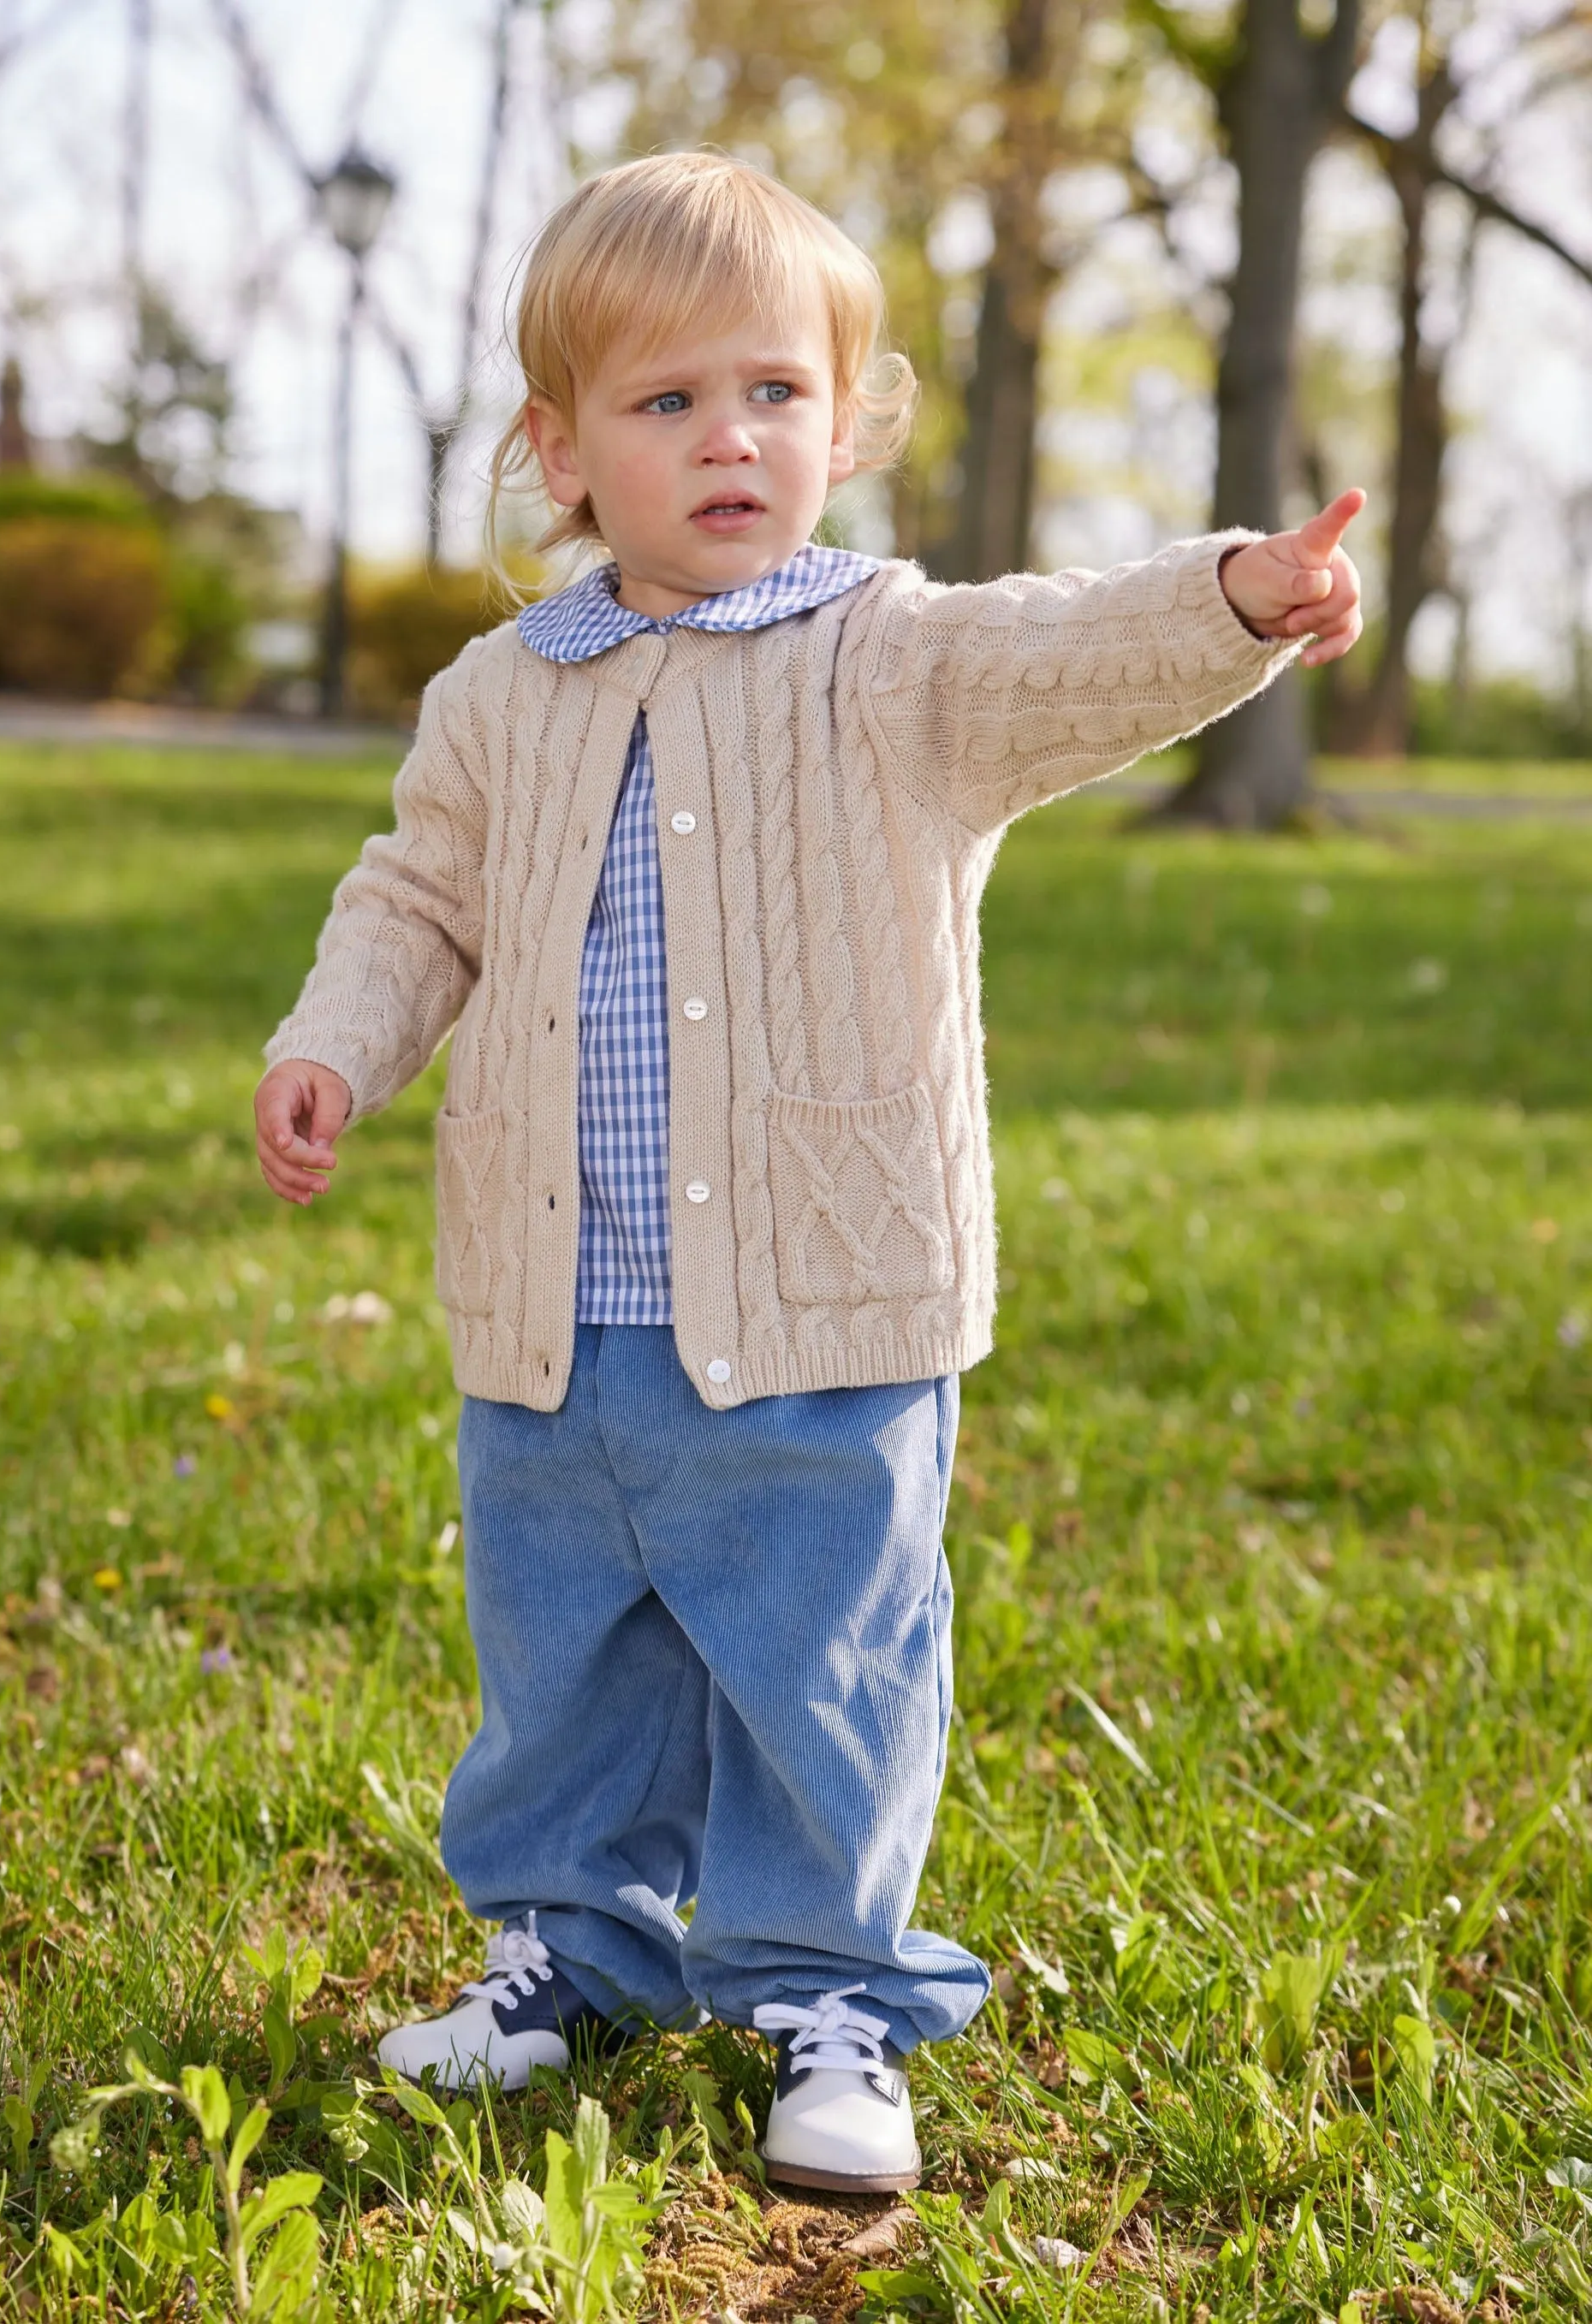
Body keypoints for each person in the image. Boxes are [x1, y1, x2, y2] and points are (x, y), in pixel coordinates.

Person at [253, 151, 1363, 2194]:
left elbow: (1075, 651)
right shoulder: (501, 695)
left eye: (772, 391)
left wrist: (1232, 598)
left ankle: (829, 1987)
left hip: (825, 1297)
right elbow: (418, 896)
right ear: (561, 451)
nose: (728, 437)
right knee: (565, 1644)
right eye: (665, 403)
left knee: (821, 1649)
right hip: (555, 1302)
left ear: (845, 421)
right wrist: (334, 1042)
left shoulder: (896, 660)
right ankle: (565, 1943)